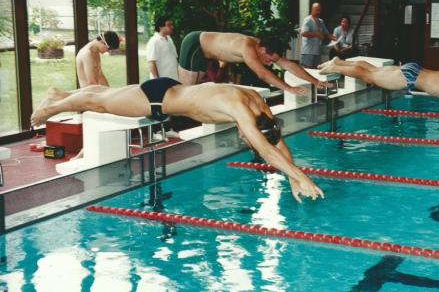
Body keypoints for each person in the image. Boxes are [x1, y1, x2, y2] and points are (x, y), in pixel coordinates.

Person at [31, 79, 324, 203]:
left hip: (170, 88)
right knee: (100, 103)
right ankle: (54, 104)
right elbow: (264, 147)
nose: (245, 140)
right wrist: (302, 178)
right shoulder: (242, 112)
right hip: (157, 100)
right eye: (247, 138)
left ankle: (62, 94)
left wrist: (293, 178)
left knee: (107, 94)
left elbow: (276, 143)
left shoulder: (258, 104)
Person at [177, 31, 331, 94]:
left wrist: (315, 81)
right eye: (270, 60)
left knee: (194, 91)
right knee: (185, 92)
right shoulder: (247, 48)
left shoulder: (263, 46)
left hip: (205, 52)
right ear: (262, 50)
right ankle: (163, 127)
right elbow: (262, 74)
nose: (270, 64)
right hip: (195, 44)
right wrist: (288, 88)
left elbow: (289, 65)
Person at [300, 2, 336, 68]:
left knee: (315, 71)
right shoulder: (307, 20)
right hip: (308, 52)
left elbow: (327, 33)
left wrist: (334, 38)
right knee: (307, 71)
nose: (318, 12)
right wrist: (316, 34)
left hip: (317, 52)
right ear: (312, 9)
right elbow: (303, 33)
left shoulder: (321, 21)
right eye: (317, 10)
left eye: (319, 10)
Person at [145, 16, 179, 80]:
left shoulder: (169, 39)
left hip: (173, 79)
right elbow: (151, 63)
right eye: (169, 25)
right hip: (161, 82)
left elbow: (175, 59)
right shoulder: (154, 41)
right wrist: (158, 81)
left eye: (171, 24)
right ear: (160, 27)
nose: (172, 27)